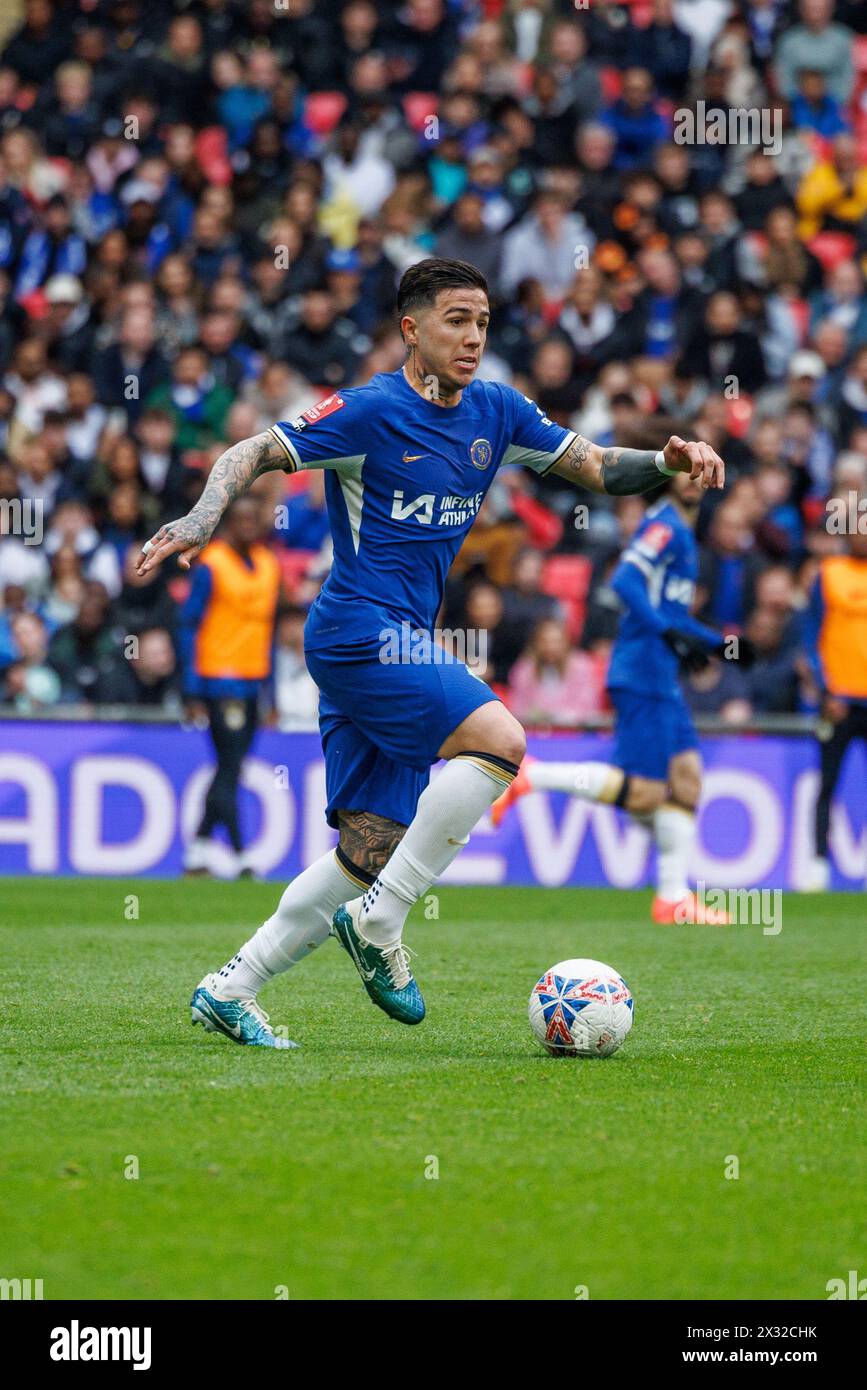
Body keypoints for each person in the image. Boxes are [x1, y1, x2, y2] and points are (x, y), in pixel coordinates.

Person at [137, 257, 727, 1049]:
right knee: (502, 742)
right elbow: (249, 451)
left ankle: (229, 987)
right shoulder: (370, 410)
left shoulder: (497, 411)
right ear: (411, 328)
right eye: (455, 319)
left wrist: (662, 461)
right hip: (356, 626)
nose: (473, 336)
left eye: (482, 321)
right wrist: (205, 514)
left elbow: (595, 467)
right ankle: (381, 923)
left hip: (400, 636)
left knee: (366, 848)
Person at [492, 468, 754, 923]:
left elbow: (670, 614)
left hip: (661, 677)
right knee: (648, 793)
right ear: (668, 480)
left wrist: (721, 646)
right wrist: (670, 634)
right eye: (685, 473)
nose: (694, 481)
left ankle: (673, 897)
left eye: (700, 474)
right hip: (640, 674)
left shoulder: (682, 531)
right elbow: (626, 582)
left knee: (688, 777)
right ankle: (532, 776)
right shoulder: (663, 526)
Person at [179, 496, 280, 878]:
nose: (248, 526)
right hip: (219, 679)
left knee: (230, 768)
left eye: (254, 518)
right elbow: (189, 624)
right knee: (230, 767)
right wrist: (191, 689)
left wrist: (272, 693)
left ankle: (199, 849)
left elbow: (267, 633)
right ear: (227, 524)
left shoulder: (269, 566)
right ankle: (239, 854)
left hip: (254, 680)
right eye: (240, 520)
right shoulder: (213, 565)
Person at [801, 520, 867, 891]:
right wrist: (827, 691)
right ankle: (818, 864)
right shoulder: (828, 573)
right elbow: (810, 636)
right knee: (827, 784)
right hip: (839, 700)